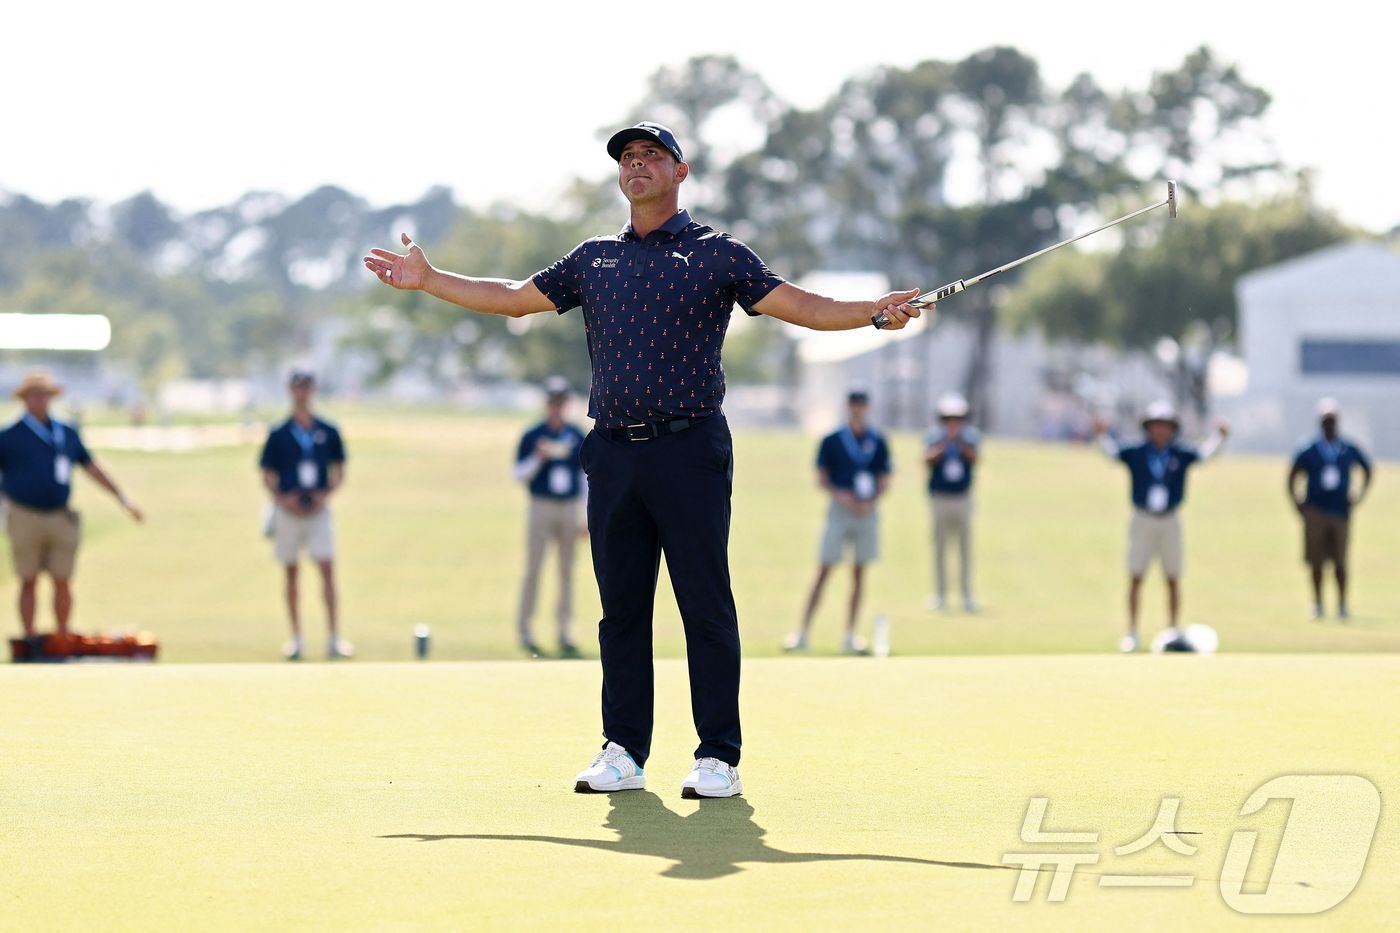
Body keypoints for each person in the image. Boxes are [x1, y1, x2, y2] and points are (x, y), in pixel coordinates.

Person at [364, 121, 927, 798]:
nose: (637, 166)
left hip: (691, 448)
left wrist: (873, 312)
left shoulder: (718, 255)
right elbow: (514, 298)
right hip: (613, 453)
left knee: (703, 603)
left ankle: (718, 755)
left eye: (651, 157)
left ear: (680, 173)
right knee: (621, 609)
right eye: (628, 158)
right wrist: (429, 281)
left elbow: (800, 305)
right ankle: (623, 750)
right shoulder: (594, 258)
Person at [0, 371, 143, 647]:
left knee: (63, 579)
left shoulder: (65, 431)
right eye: (33, 395)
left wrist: (121, 497)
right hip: (24, 514)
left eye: (44, 395)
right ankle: (30, 639)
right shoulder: (9, 436)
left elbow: (90, 466)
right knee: (28, 579)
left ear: (51, 398)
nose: (39, 400)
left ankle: (62, 637)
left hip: (60, 514)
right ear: (25, 399)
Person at [1093, 401, 1228, 653]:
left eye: (1165, 426)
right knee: (1136, 575)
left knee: (1173, 577)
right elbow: (1111, 453)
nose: (1160, 431)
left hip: (1170, 519)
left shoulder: (1179, 454)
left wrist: (1219, 438)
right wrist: (1100, 434)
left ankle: (1172, 630)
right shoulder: (1137, 451)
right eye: (1156, 426)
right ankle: (1132, 632)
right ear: (1149, 428)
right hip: (1143, 518)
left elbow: (1205, 455)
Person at [786, 390, 892, 654]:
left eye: (861, 405)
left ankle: (850, 634)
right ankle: (802, 632)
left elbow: (884, 479)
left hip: (866, 512)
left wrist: (871, 500)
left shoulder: (877, 440)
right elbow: (822, 477)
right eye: (853, 404)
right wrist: (841, 495)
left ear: (867, 407)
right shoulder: (833, 440)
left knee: (859, 573)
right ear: (847, 407)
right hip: (840, 510)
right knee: (825, 569)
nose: (857, 409)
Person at [258, 372, 349, 661]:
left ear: (312, 390)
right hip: (288, 511)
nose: (301, 392)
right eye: (297, 387)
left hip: (319, 510)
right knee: (291, 572)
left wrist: (324, 495)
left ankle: (334, 638)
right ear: (290, 390)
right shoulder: (279, 433)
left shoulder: (327, 430)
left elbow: (339, 471)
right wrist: (284, 499)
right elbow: (267, 474)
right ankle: (296, 639)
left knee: (326, 568)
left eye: (306, 387)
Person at [514, 376, 588, 658]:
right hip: (541, 504)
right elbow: (519, 474)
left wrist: (585, 517)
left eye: (561, 402)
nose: (556, 407)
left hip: (568, 506)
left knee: (566, 571)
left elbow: (584, 477)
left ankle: (564, 630)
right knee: (534, 568)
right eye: (552, 402)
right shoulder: (533, 435)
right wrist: (539, 457)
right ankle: (525, 629)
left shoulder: (576, 435)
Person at [1288, 398, 1372, 620]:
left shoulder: (1347, 448)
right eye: (1326, 421)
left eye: (1333, 421)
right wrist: (1298, 504)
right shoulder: (1310, 449)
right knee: (1316, 561)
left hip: (1340, 511)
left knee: (1340, 561)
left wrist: (1358, 495)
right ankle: (1317, 604)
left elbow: (1367, 469)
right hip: (1315, 509)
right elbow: (1292, 475)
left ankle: (1342, 605)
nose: (1329, 425)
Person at [925, 392, 979, 613]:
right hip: (940, 497)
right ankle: (940, 595)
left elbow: (974, 458)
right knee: (940, 548)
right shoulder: (934, 437)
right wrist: (945, 443)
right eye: (949, 418)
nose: (953, 423)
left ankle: (966, 595)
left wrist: (958, 441)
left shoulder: (970, 437)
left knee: (964, 548)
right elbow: (927, 459)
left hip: (962, 497)